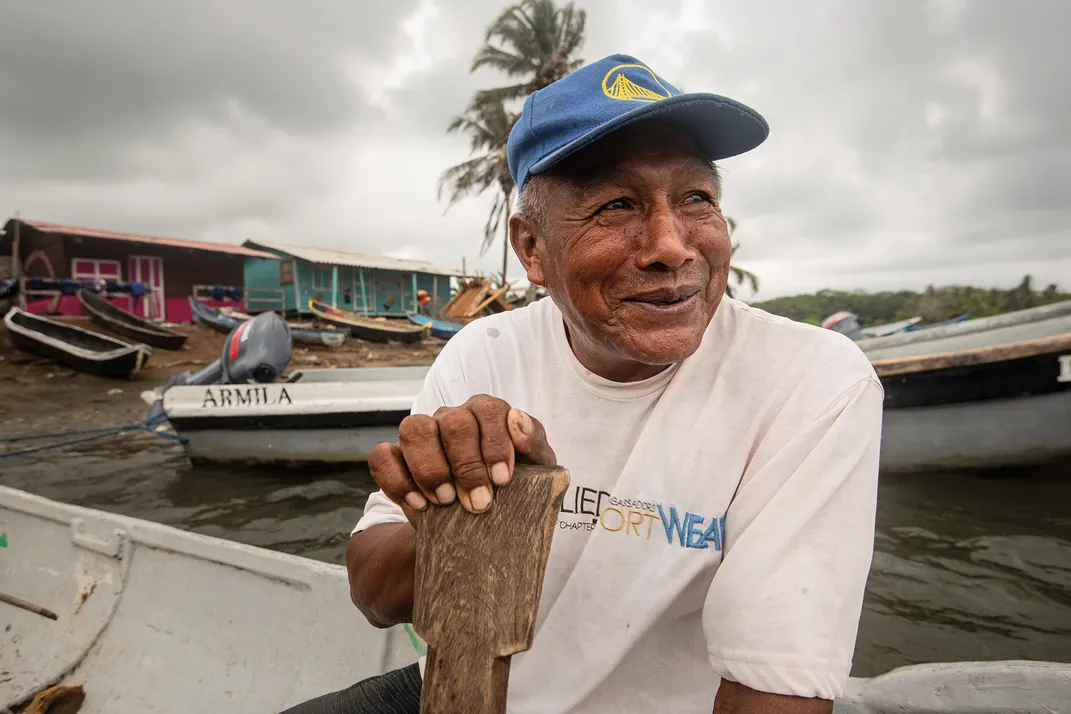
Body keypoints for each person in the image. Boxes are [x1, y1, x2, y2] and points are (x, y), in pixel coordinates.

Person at [286, 53, 882, 714]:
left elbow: (772, 695)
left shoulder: (809, 381)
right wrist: (466, 511)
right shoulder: (486, 351)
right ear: (532, 248)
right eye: (618, 204)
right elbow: (373, 596)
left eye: (695, 198)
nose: (672, 246)